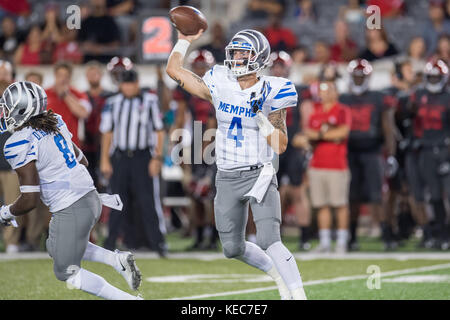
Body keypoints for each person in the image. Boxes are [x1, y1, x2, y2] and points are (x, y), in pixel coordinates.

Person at [166, 28, 307, 300]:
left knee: (269, 240)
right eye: (235, 52)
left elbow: (280, 145)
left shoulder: (272, 88)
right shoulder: (220, 81)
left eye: (245, 52)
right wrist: (184, 40)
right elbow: (174, 70)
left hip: (260, 174)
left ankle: (299, 296)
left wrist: (260, 116)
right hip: (227, 175)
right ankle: (276, 275)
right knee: (231, 248)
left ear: (260, 56)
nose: (238, 57)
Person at [0, 81, 142, 299]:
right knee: (54, 246)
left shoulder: (18, 142)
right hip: (90, 198)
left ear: (23, 109)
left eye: (8, 107)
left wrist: (6, 212)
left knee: (65, 271)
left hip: (72, 206)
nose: (5, 112)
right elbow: (82, 160)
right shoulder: (54, 121)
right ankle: (115, 260)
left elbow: (30, 199)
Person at [100, 69, 167, 256]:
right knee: (117, 201)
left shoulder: (150, 101)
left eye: (131, 83)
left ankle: (158, 243)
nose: (128, 87)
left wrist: (157, 157)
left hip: (142, 156)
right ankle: (110, 242)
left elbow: (159, 131)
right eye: (125, 83)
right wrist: (105, 160)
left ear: (137, 83)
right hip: (120, 157)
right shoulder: (112, 103)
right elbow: (107, 132)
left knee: (148, 201)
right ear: (120, 85)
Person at [339, 59, 397, 251]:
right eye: (355, 76)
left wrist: (391, 154)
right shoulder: (343, 99)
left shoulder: (378, 98)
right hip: (349, 153)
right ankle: (352, 237)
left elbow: (388, 127)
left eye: (361, 77)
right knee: (351, 197)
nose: (357, 80)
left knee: (376, 196)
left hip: (372, 151)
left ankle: (387, 236)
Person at [172, 49, 218, 250]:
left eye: (203, 67)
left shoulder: (217, 86)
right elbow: (180, 118)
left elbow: (213, 121)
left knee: (212, 194)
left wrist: (206, 147)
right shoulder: (185, 88)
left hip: (214, 142)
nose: (200, 71)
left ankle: (214, 237)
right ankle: (199, 236)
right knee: (195, 192)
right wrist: (177, 143)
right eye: (197, 67)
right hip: (195, 140)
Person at [270, 51, 311, 251]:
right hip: (272, 147)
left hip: (292, 146)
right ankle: (271, 236)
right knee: (268, 194)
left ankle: (304, 238)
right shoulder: (262, 89)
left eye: (281, 66)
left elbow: (307, 115)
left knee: (298, 192)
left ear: (288, 68)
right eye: (275, 66)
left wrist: (304, 135)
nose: (278, 70)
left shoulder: (299, 90)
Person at [305, 79, 351, 253]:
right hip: (317, 164)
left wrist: (320, 135)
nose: (324, 93)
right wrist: (326, 133)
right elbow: (308, 134)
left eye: (328, 89)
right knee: (321, 205)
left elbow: (342, 132)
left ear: (335, 92)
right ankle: (325, 242)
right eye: (322, 89)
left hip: (337, 165)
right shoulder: (315, 112)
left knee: (339, 204)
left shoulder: (342, 110)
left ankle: (341, 241)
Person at [409, 59, 450, 250]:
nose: (433, 80)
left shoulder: (447, 97)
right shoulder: (418, 95)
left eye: (436, 77)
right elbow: (407, 119)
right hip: (425, 150)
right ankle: (440, 235)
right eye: (431, 76)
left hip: (444, 149)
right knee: (433, 196)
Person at [45, 62, 92, 147]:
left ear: (70, 77)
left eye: (65, 76)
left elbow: (84, 113)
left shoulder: (78, 94)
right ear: (55, 75)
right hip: (48, 143)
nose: (62, 79)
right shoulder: (45, 93)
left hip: (71, 144)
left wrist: (66, 95)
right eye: (60, 75)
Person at [84, 61, 112, 189]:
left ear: (101, 75)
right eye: (90, 74)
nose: (93, 77)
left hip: (105, 143)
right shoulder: (82, 96)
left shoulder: (110, 96)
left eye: (95, 74)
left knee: (106, 182)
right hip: (87, 144)